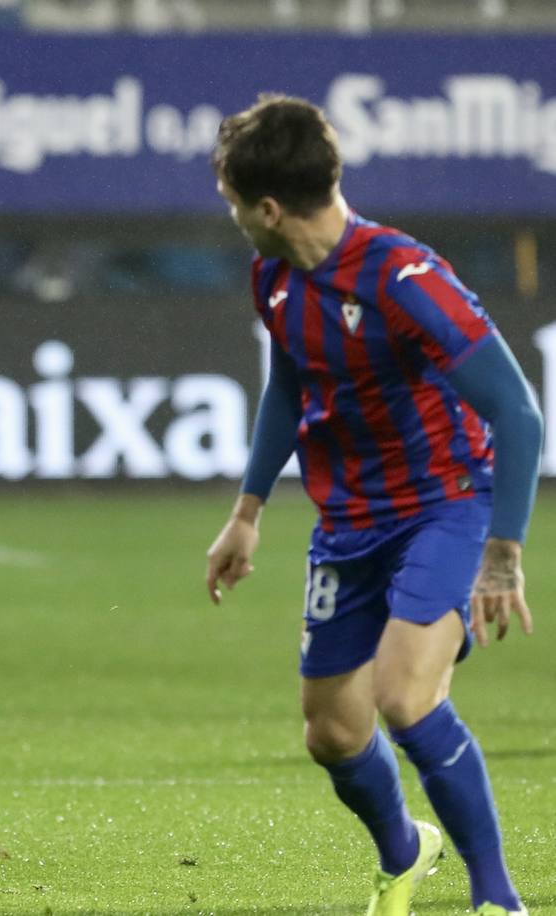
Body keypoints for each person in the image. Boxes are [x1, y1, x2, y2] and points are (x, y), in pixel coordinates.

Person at [204, 95, 542, 916]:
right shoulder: (274, 277)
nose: (234, 218)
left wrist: (502, 554)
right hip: (349, 520)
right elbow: (289, 384)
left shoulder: (403, 278)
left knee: (405, 698)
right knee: (333, 731)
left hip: (444, 506)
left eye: (235, 203)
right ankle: (405, 851)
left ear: (270, 208)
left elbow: (519, 413)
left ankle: (496, 897)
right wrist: (248, 509)